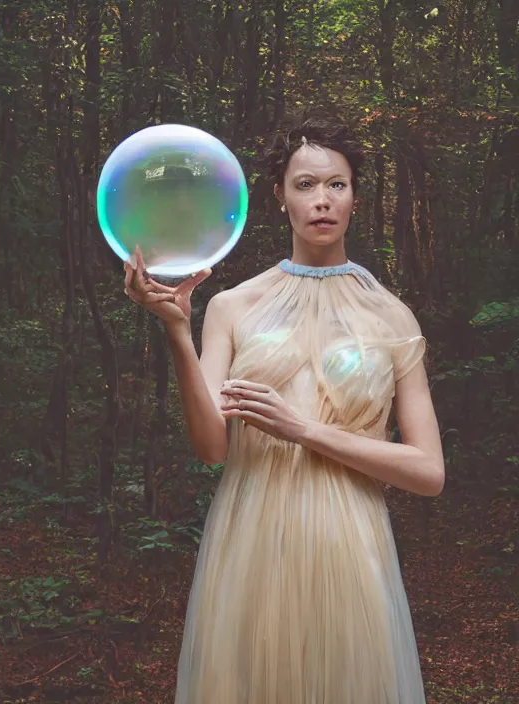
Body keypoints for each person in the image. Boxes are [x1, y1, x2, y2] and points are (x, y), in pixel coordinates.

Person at [123, 112, 444, 704]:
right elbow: (211, 448)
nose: (322, 200)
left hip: (352, 545)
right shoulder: (231, 306)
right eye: (305, 185)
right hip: (249, 537)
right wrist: (177, 331)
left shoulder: (392, 317)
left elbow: (428, 472)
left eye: (336, 185)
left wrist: (303, 430)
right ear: (278, 197)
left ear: (354, 199)